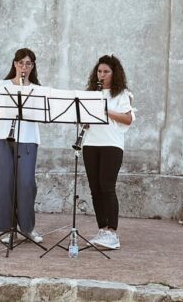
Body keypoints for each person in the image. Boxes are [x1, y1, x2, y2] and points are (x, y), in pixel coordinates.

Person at [0, 47, 44, 244]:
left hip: (27, 139)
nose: (24, 67)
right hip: (1, 138)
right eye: (20, 63)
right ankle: (8, 228)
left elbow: (43, 116)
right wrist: (10, 111)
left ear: (32, 66)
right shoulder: (2, 85)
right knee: (4, 184)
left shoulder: (37, 89)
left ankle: (27, 228)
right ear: (15, 64)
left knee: (26, 184)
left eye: (28, 63)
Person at [81, 54, 134, 251]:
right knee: (95, 189)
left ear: (114, 73)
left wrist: (104, 110)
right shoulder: (90, 93)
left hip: (111, 145)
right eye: (99, 71)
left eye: (106, 72)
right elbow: (84, 120)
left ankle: (113, 232)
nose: (101, 75)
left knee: (107, 186)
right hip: (91, 144)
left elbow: (127, 119)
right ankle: (102, 229)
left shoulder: (121, 94)